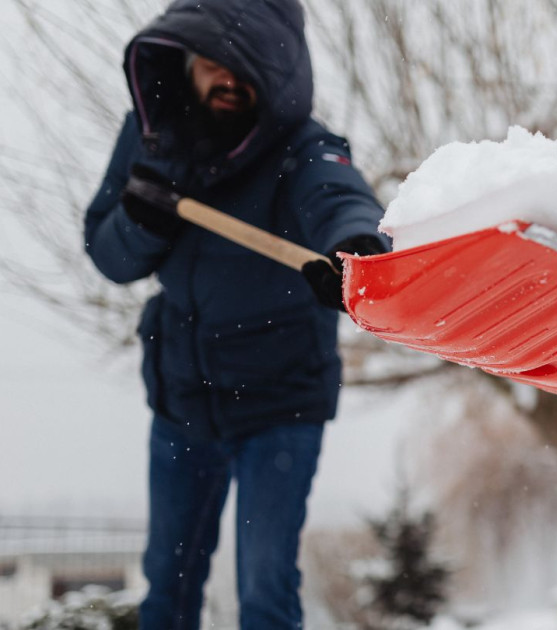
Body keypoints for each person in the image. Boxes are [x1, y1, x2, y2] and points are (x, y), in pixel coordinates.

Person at [82, 0, 388, 627]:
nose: (228, 77)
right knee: (168, 588)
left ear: (277, 71)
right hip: (182, 397)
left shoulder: (304, 146)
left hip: (279, 403)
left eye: (246, 64)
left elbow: (341, 199)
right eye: (214, 60)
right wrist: (141, 221)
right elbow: (109, 255)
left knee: (265, 590)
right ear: (187, 58)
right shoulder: (150, 135)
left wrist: (355, 252)